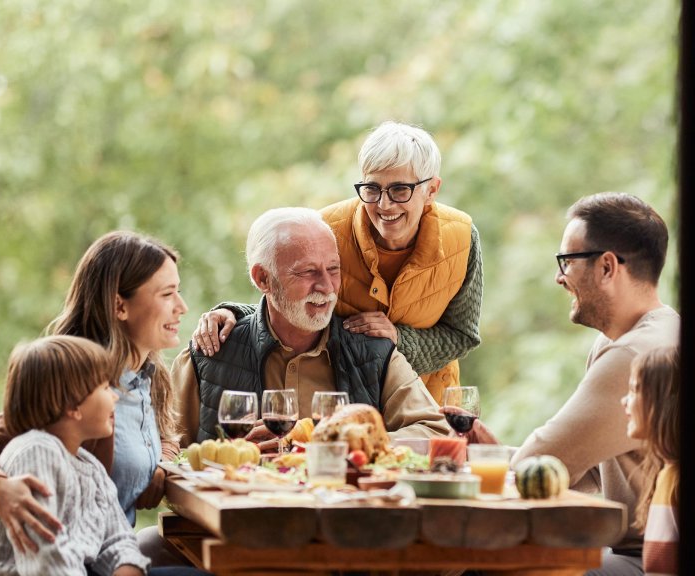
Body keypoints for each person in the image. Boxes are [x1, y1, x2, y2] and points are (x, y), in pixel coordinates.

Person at [193, 121, 483, 406]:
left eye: (399, 190)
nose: (384, 204)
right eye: (372, 188)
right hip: (345, 404)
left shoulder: (462, 238)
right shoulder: (324, 231)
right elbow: (288, 306)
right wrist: (232, 311)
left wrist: (398, 339)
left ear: (431, 190)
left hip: (428, 406)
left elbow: (462, 335)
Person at [170, 206, 451, 448]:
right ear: (263, 279)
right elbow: (167, 455)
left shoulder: (375, 354)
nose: (327, 287)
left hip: (342, 510)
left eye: (333, 269)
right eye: (307, 272)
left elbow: (437, 433)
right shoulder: (208, 353)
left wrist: (334, 440)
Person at [0, 231, 187, 553]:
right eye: (167, 294)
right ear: (120, 306)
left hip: (112, 553)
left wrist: (161, 465)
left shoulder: (148, 377)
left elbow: (165, 437)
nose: (182, 306)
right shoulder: (74, 380)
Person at [510, 192, 679, 571]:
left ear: (606, 267)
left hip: (650, 560)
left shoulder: (635, 355)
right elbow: (574, 466)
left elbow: (537, 462)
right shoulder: (639, 334)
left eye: (567, 262)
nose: (559, 277)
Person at [0, 335, 153, 576]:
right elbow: (46, 562)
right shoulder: (37, 452)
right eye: (105, 387)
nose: (115, 396)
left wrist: (127, 568)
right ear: (72, 406)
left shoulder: (89, 464)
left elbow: (119, 539)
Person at [622, 347, 680, 576]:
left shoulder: (678, 481)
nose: (624, 401)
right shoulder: (667, 473)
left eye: (634, 390)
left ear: (663, 402)